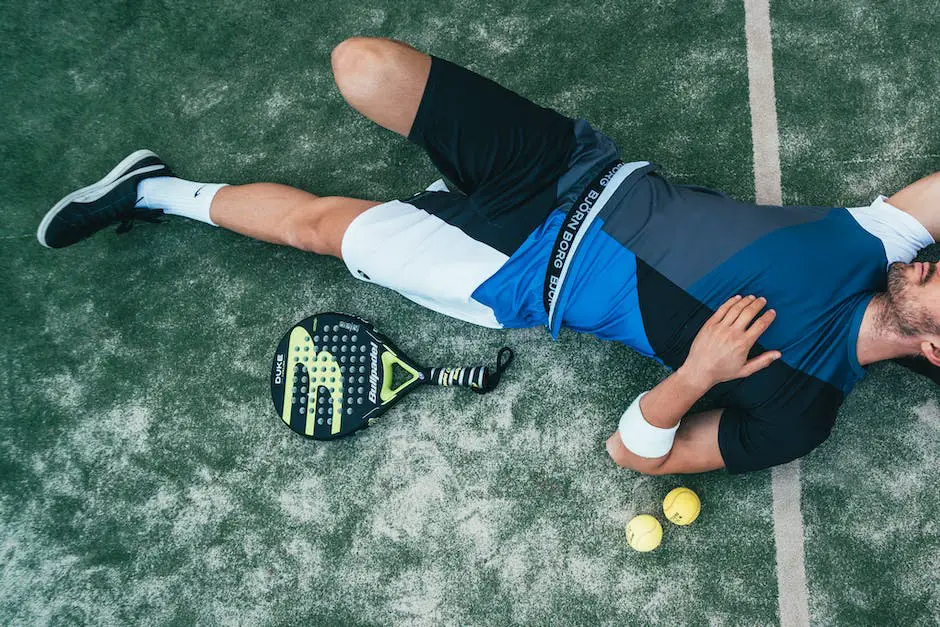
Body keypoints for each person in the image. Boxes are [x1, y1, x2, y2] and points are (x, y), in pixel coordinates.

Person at [37, 38, 940, 475]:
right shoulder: (887, 242)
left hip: (505, 277)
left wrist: (696, 372)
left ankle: (149, 191)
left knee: (316, 227)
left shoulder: (803, 411)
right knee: (363, 66)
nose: (937, 258)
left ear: (934, 348)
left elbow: (637, 456)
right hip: (566, 168)